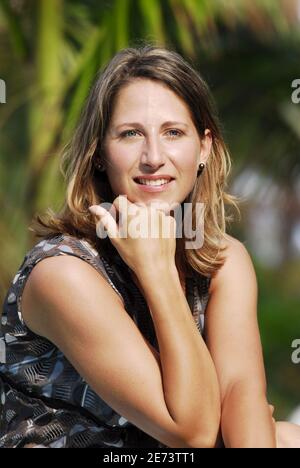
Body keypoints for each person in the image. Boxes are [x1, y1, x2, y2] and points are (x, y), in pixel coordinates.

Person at [0, 44, 299, 448]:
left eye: (173, 133)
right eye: (130, 134)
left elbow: (239, 397)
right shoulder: (63, 275)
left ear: (204, 147)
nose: (154, 157)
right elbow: (192, 432)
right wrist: (155, 270)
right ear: (101, 153)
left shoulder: (223, 261)